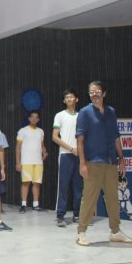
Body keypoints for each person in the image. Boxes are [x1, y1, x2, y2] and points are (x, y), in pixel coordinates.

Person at [75, 81, 132, 246]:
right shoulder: (84, 113)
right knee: (89, 198)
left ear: (104, 93)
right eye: (91, 92)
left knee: (113, 198)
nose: (94, 94)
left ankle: (115, 231)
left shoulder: (111, 112)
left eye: (97, 91)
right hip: (93, 162)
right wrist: (82, 163)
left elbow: (116, 137)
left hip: (110, 162)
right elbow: (80, 140)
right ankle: (81, 232)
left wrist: (121, 158)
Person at [52, 89, 83, 227]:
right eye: (67, 97)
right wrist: (71, 148)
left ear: (77, 99)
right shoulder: (59, 115)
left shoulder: (81, 116)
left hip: (79, 155)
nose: (69, 99)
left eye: (72, 97)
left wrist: (80, 150)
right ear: (64, 101)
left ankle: (77, 215)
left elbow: (84, 136)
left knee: (79, 187)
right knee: (63, 187)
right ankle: (60, 216)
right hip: (65, 155)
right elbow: (54, 137)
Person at [16, 110, 47, 213]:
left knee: (37, 183)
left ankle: (35, 204)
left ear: (38, 119)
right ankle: (23, 205)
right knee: (25, 183)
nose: (34, 119)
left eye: (36, 117)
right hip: (26, 161)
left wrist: (44, 152)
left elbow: (42, 145)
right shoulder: (22, 131)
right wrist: (18, 162)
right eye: (32, 117)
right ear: (29, 118)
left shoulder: (41, 131)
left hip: (38, 162)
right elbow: (18, 147)